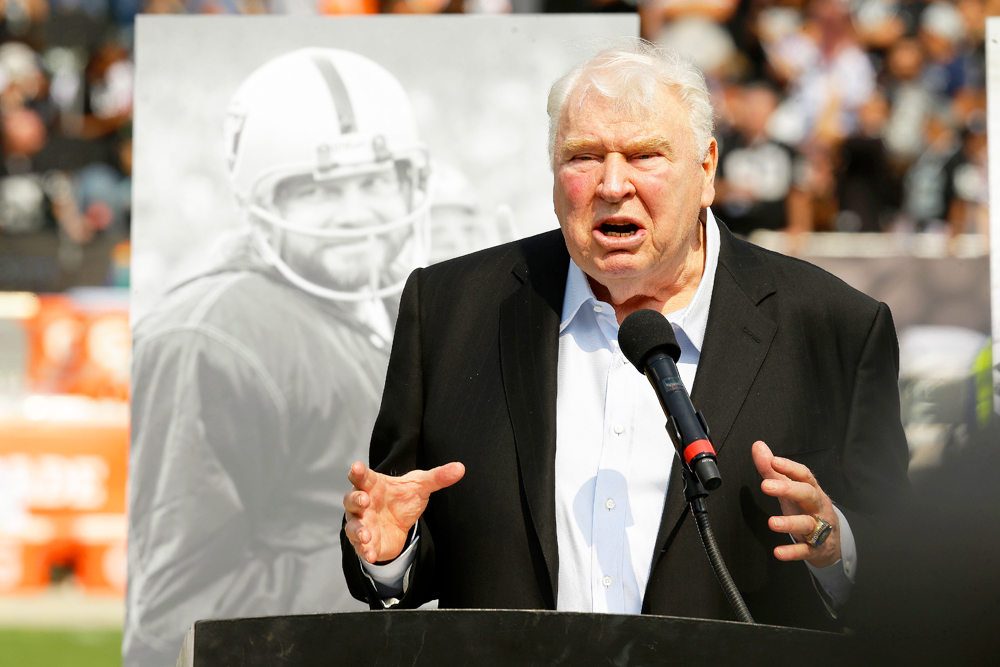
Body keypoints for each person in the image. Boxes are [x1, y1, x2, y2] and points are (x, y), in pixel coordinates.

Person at [341, 39, 910, 629]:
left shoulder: (834, 328)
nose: (613, 185)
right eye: (583, 157)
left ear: (707, 169)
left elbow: (905, 574)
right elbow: (398, 537)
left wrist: (833, 542)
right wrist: (388, 550)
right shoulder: (451, 309)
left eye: (644, 156)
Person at [125, 48, 432, 667]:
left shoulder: (381, 305)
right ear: (261, 207)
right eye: (317, 191)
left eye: (373, 181)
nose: (355, 215)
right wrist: (411, 572)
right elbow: (175, 619)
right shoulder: (211, 336)